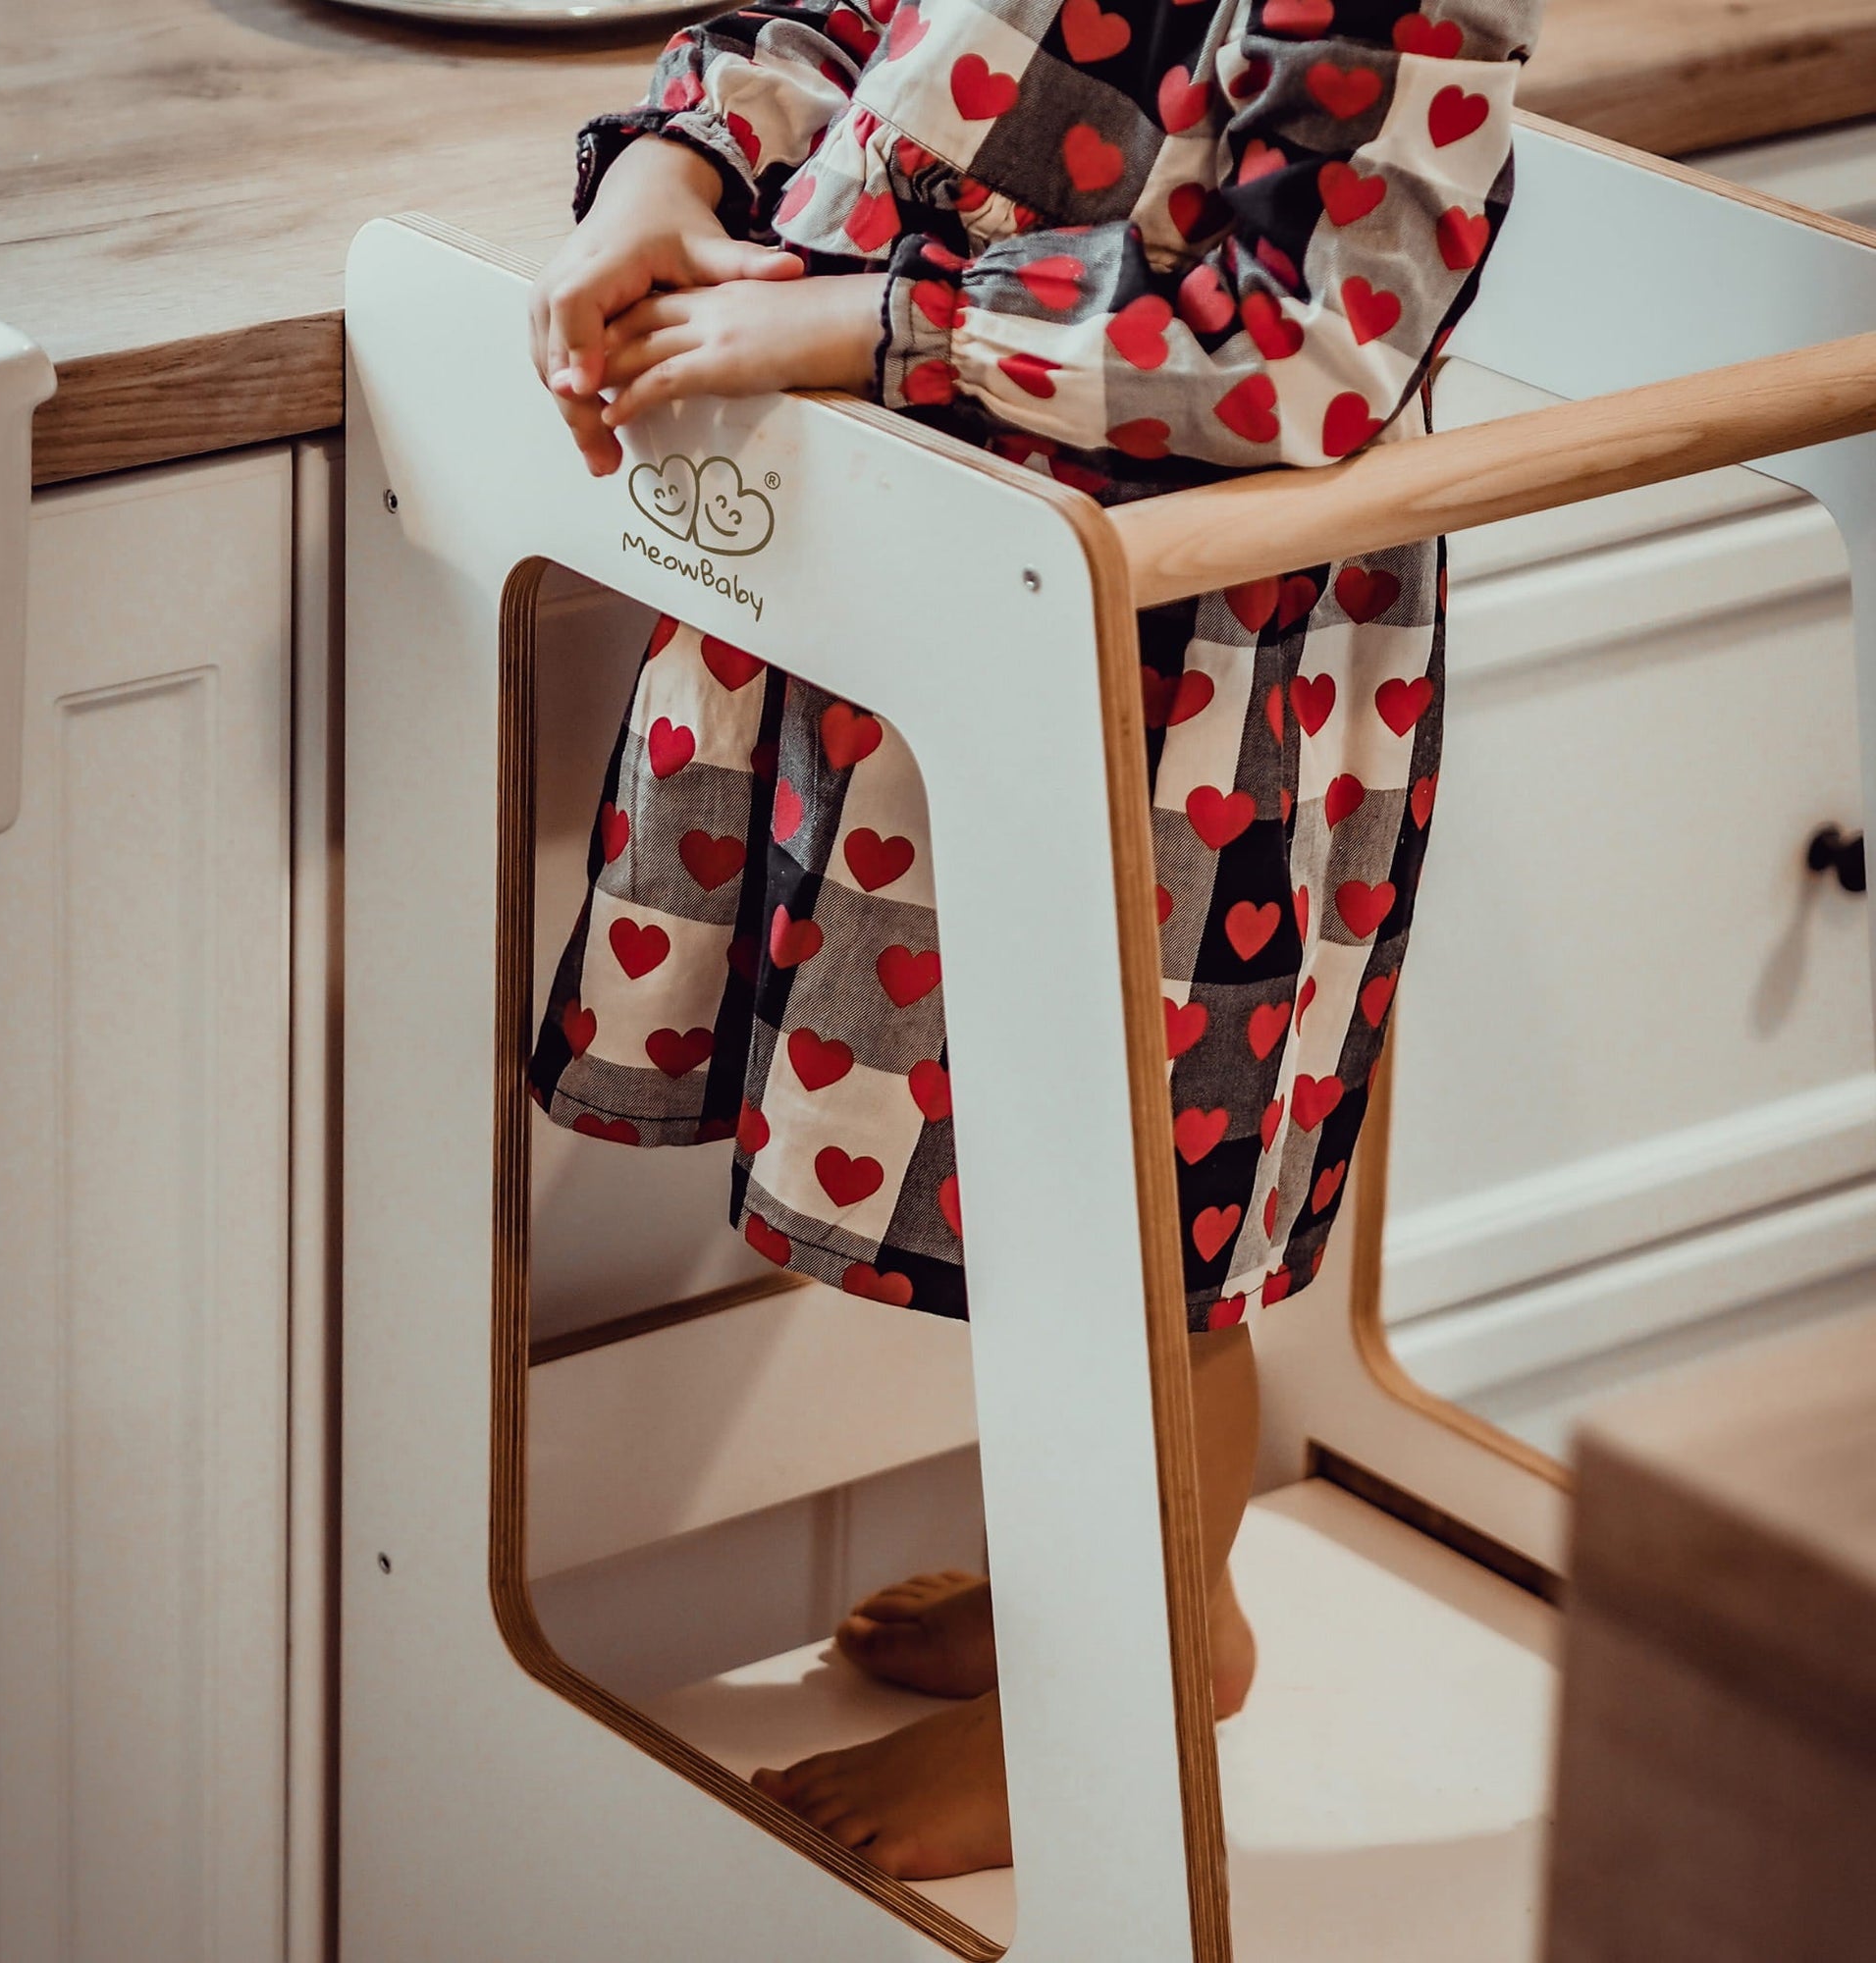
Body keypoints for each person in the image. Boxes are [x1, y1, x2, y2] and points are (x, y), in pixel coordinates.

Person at [527, 0, 1542, 1881]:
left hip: (1190, 699)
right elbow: (832, 20)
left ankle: (1135, 1690)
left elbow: (1313, 340)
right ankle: (1115, 1604)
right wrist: (674, 173)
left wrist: (866, 322)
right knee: (1006, 1165)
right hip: (953, 607)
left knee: (1146, 1236)